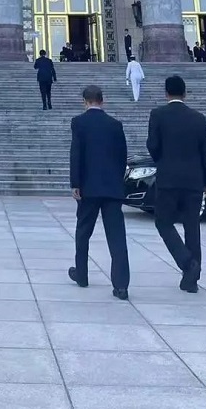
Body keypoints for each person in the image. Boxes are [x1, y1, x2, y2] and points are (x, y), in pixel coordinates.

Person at [146, 75, 206, 293]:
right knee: (192, 227)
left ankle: (187, 262)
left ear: (166, 93)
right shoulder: (198, 118)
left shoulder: (158, 115)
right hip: (194, 180)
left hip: (169, 179)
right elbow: (205, 151)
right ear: (185, 93)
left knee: (163, 222)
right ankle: (192, 280)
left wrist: (163, 161)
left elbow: (152, 145)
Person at [69, 85, 130, 299]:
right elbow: (122, 156)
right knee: (117, 236)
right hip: (112, 188)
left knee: (83, 232)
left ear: (84, 102)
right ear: (102, 101)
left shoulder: (79, 122)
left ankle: (82, 274)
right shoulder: (115, 124)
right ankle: (121, 285)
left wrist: (75, 183)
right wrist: (117, 181)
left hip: (89, 187)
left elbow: (76, 154)